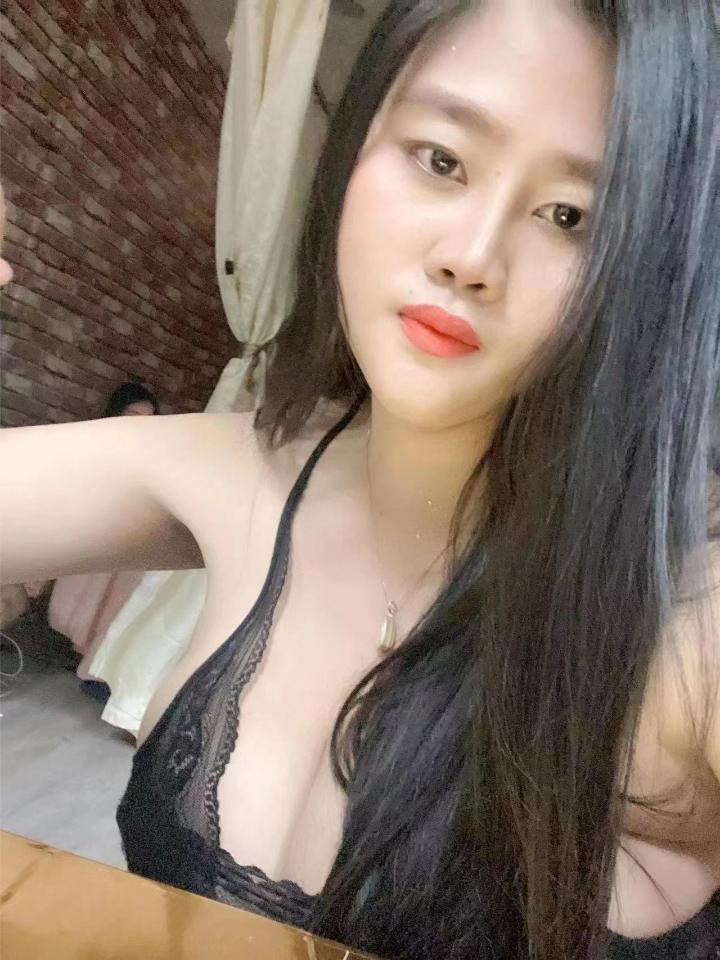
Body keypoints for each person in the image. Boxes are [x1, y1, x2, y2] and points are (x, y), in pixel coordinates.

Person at [1, 2, 719, 958]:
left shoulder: (687, 609)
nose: (470, 257)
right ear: (354, 151)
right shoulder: (233, 468)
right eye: (442, 159)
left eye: (571, 217)